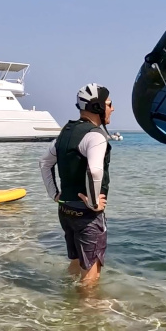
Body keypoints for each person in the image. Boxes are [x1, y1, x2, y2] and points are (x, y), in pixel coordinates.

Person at [39, 83, 115, 287]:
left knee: (75, 264)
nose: (112, 108)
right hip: (86, 215)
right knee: (91, 277)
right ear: (98, 107)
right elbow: (95, 170)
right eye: (109, 104)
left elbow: (44, 163)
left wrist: (54, 194)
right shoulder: (96, 136)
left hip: (65, 210)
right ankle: (86, 315)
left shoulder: (66, 132)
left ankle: (66, 303)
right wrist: (93, 202)